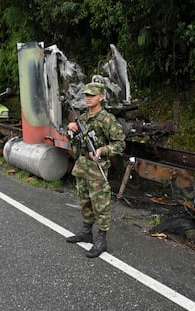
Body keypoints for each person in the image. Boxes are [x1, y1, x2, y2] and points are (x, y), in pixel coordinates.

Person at [66, 82, 125, 258]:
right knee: (85, 201)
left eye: (92, 95)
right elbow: (73, 140)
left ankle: (101, 239)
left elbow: (120, 144)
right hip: (82, 167)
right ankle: (86, 231)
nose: (88, 98)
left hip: (97, 170)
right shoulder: (82, 118)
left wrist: (102, 151)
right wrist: (71, 130)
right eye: (87, 95)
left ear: (101, 97)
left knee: (101, 205)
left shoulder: (107, 119)